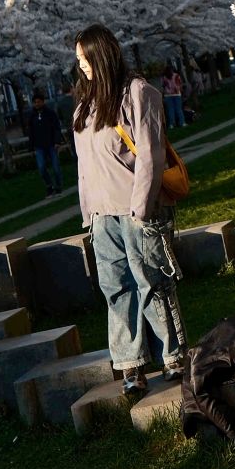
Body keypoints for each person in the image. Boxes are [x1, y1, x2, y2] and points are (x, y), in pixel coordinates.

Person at [72, 24, 184, 396]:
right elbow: (84, 164)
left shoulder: (139, 93)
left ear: (101, 55)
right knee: (117, 290)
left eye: (85, 59)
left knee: (152, 282)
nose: (81, 66)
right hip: (102, 217)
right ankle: (130, 364)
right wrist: (89, 213)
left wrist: (140, 209)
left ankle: (173, 355)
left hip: (138, 211)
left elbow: (150, 154)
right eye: (78, 60)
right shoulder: (85, 104)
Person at [27, 93, 66, 196]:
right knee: (41, 167)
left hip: (51, 144)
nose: (37, 104)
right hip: (39, 146)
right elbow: (31, 132)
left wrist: (57, 141)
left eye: (39, 102)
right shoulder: (32, 116)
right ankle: (49, 185)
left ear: (43, 102)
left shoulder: (50, 113)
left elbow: (56, 128)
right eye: (35, 102)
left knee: (56, 167)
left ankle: (58, 186)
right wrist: (31, 147)